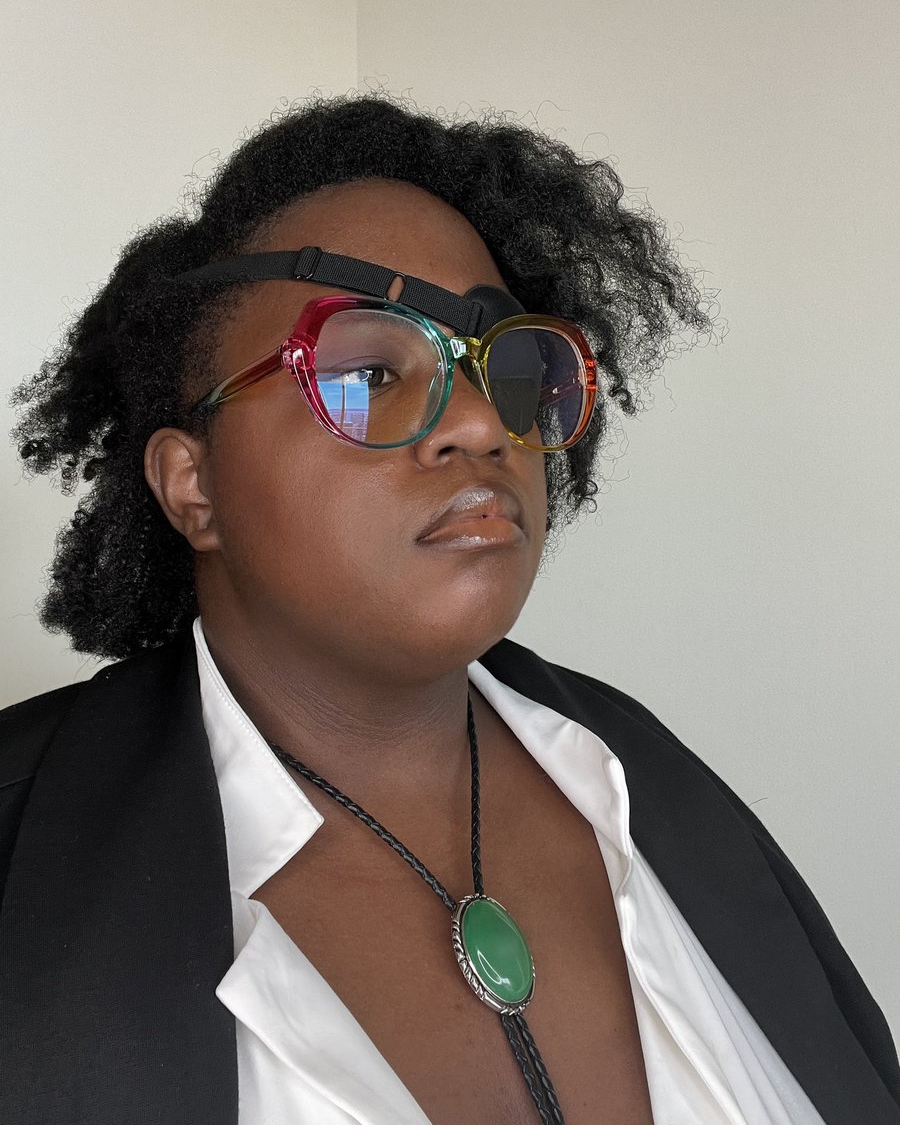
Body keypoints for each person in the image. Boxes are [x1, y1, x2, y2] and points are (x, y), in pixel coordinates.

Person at [0, 94, 896, 1125]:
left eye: (509, 367)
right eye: (369, 370)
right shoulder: (25, 861)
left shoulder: (642, 780)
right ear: (192, 486)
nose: (480, 422)